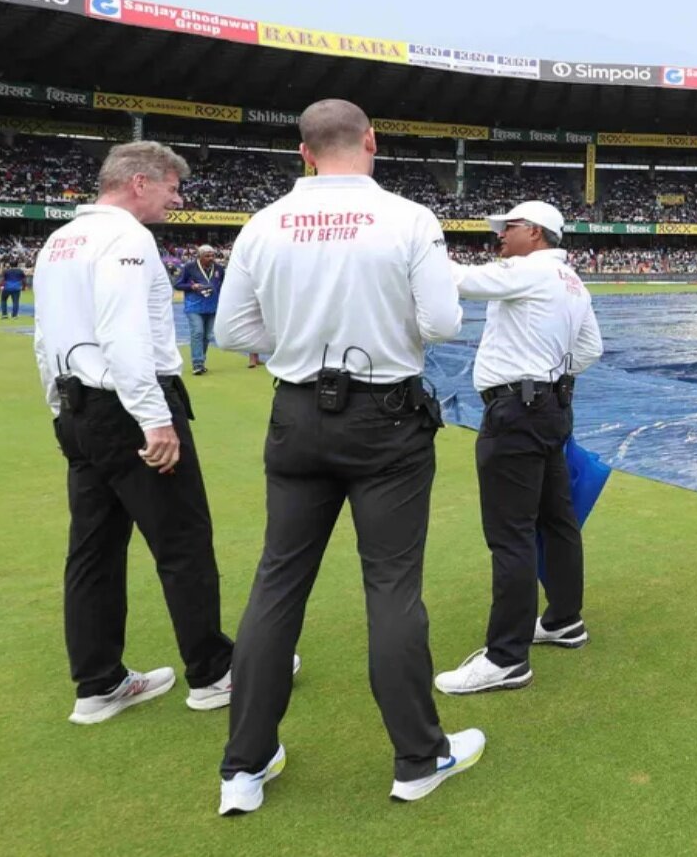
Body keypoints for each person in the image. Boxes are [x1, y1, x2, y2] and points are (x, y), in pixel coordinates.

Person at [213, 99, 476, 816]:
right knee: (391, 587)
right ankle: (417, 759)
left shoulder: (264, 223)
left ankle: (243, 765)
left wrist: (296, 340)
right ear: (371, 141)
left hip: (297, 410)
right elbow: (445, 322)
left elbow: (234, 330)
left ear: (303, 152)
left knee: (276, 585)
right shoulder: (408, 217)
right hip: (385, 414)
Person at [29, 143, 235, 725]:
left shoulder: (59, 240)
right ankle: (214, 672)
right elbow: (123, 336)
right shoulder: (127, 238)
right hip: (126, 407)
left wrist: (58, 409)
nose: (178, 198)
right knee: (182, 542)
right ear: (139, 182)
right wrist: (155, 418)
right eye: (173, 187)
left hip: (77, 407)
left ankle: (99, 684)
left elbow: (45, 337)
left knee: (92, 550)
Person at [435, 201, 603, 696]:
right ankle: (564, 620)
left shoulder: (527, 270)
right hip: (551, 407)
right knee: (557, 519)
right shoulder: (572, 281)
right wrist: (550, 371)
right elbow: (590, 350)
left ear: (534, 232)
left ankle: (507, 657)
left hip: (515, 411)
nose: (500, 237)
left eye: (507, 228)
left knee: (510, 533)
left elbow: (461, 280)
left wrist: (408, 244)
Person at [174, 245, 224, 375]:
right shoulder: (189, 267)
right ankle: (197, 363)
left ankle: (201, 362)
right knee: (198, 332)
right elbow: (177, 284)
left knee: (207, 336)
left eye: (212, 255)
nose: (211, 258)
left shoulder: (219, 268)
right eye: (207, 256)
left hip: (212, 307)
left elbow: (223, 285)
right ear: (199, 256)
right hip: (194, 306)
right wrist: (192, 286)